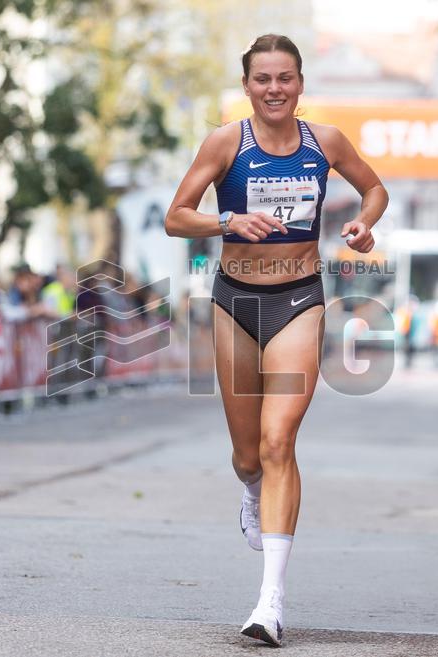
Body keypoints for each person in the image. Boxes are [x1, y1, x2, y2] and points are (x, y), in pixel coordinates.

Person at [164, 34, 387, 646]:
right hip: (235, 301)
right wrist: (226, 220)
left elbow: (375, 188)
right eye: (262, 79)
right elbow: (175, 215)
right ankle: (253, 490)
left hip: (298, 300)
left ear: (300, 83)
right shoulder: (225, 142)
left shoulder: (326, 142)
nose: (274, 89)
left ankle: (270, 603)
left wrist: (364, 224)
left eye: (284, 77)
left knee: (277, 439)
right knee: (246, 456)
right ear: (247, 86)